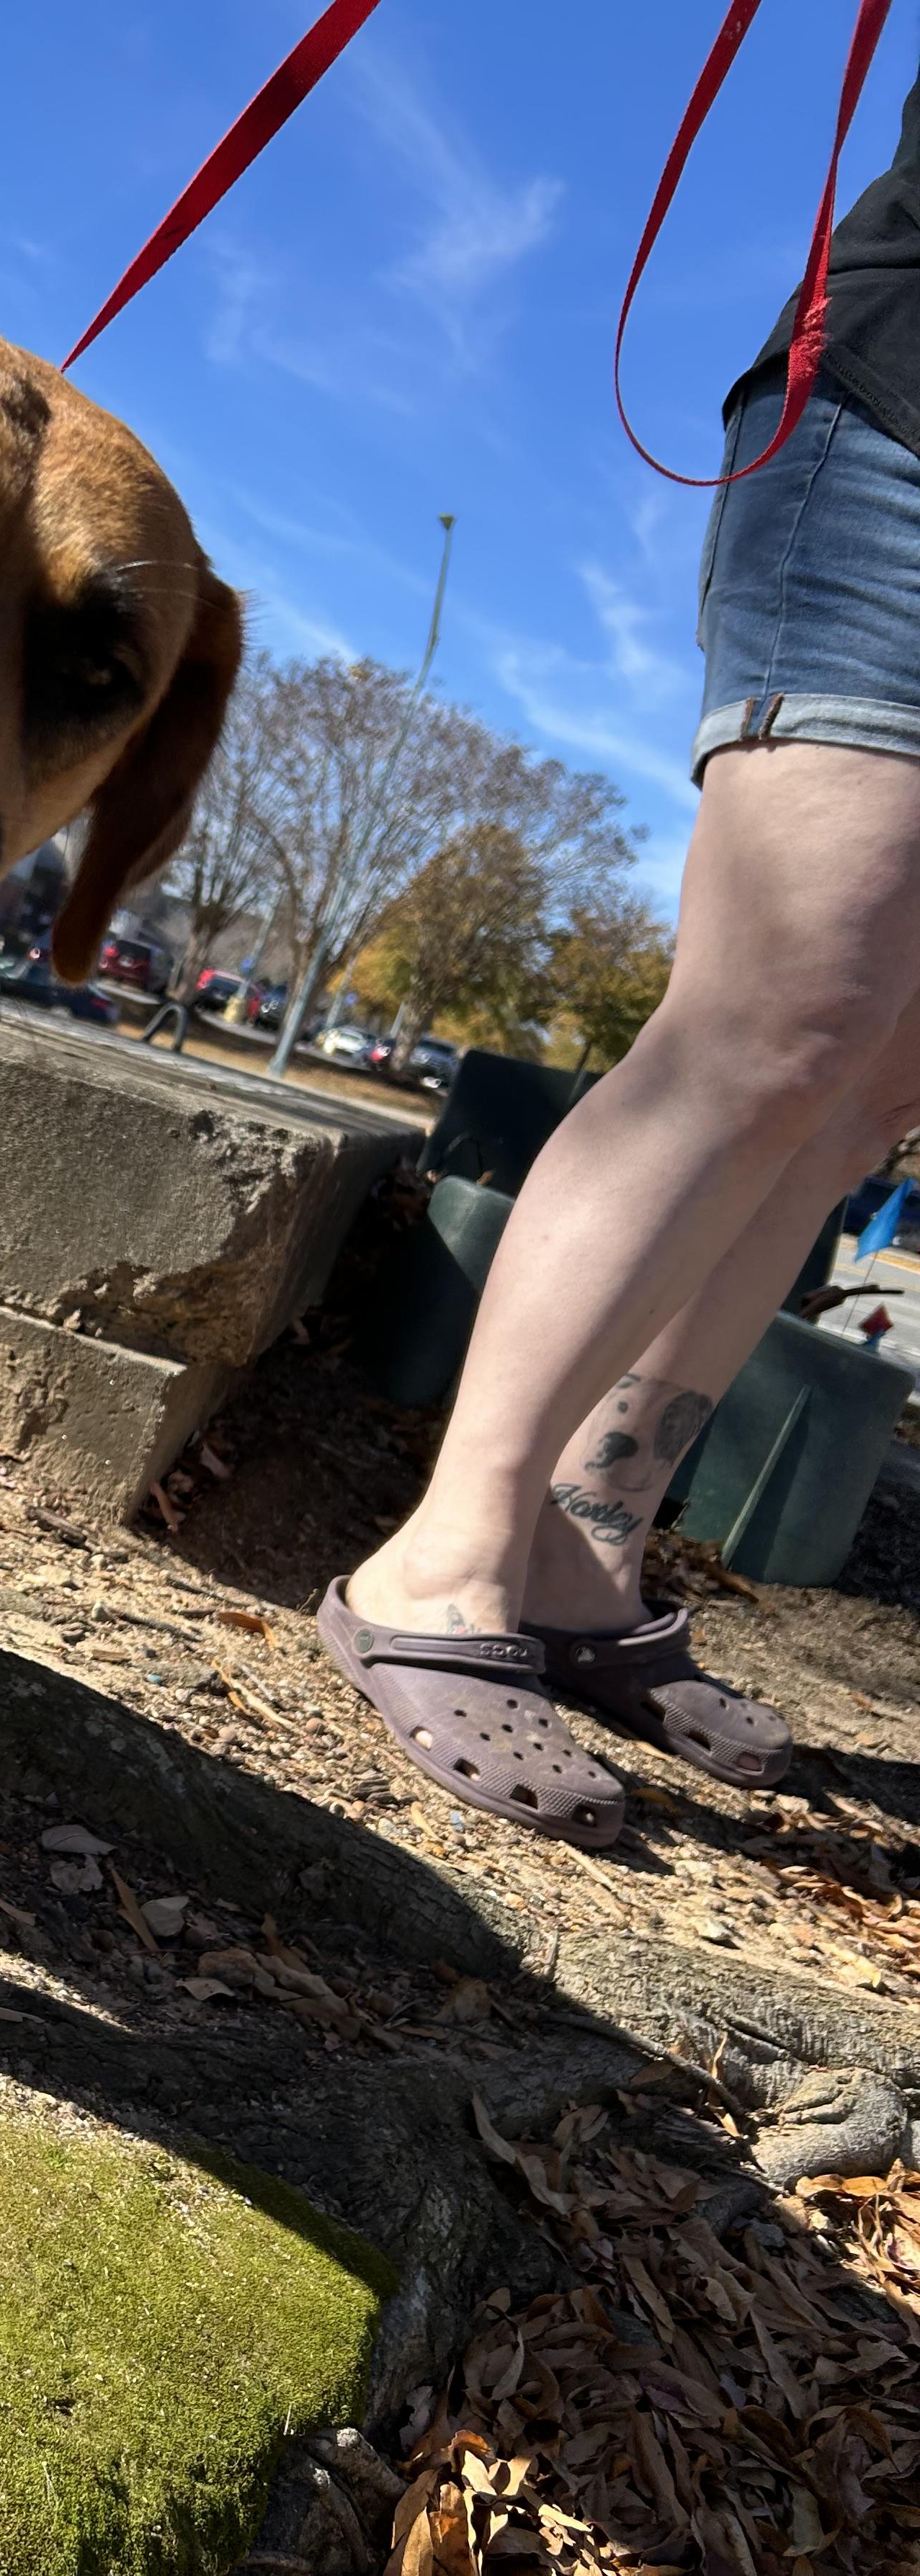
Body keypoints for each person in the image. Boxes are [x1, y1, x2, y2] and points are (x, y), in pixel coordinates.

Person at [320, 52, 920, 1849]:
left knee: (872, 1085)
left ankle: (590, 1540)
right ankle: (443, 1556)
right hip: (903, 445)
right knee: (780, 1015)